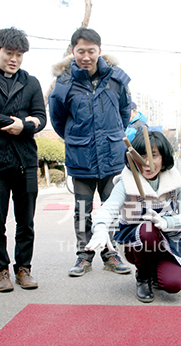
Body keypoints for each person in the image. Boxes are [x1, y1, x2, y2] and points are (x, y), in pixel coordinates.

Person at [49, 27, 132, 277]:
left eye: (91, 51)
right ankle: (84, 256)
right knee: (83, 209)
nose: (86, 56)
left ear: (99, 50)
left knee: (112, 207)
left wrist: (111, 137)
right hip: (81, 156)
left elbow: (124, 114)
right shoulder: (64, 83)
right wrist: (77, 139)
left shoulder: (117, 79)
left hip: (112, 156)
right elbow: (58, 120)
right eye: (81, 51)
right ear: (73, 51)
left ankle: (110, 254)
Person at [0, 27, 46, 293]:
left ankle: (23, 269)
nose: (13, 59)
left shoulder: (32, 82)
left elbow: (41, 117)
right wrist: (14, 123)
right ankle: (0, 270)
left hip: (26, 161)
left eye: (19, 54)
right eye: (8, 53)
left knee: (26, 221)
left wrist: (25, 126)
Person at [86, 131, 181, 302]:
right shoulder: (127, 181)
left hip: (169, 242)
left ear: (164, 156)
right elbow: (107, 209)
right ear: (132, 158)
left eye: (154, 156)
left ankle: (156, 269)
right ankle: (143, 275)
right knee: (147, 228)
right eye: (141, 156)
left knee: (173, 285)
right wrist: (100, 228)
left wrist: (166, 222)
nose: (147, 163)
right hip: (137, 242)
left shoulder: (176, 180)